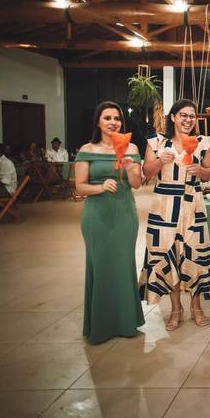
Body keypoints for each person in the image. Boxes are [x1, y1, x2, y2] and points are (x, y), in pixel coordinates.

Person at [140, 99, 210, 330]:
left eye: (192, 116)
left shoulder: (203, 143)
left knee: (194, 254)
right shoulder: (157, 142)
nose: (188, 120)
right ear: (173, 117)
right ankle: (176, 309)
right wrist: (159, 161)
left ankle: (196, 306)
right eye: (183, 115)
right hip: (164, 207)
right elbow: (146, 172)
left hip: (193, 205)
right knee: (168, 255)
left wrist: (200, 170)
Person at [74, 101, 144, 344]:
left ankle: (126, 322)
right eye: (107, 118)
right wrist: (100, 187)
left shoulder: (131, 147)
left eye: (117, 118)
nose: (113, 122)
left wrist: (130, 168)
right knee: (101, 265)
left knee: (124, 265)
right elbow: (79, 187)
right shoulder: (87, 149)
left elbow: (137, 184)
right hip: (97, 215)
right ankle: (101, 325)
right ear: (98, 122)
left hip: (125, 214)